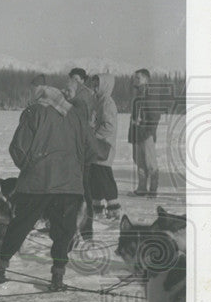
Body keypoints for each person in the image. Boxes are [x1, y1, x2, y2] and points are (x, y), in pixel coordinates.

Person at [0, 81, 96, 292]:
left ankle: (0, 268)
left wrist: (29, 167)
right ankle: (57, 277)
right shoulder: (75, 115)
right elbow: (91, 149)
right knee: (63, 232)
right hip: (69, 184)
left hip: (37, 183)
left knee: (20, 225)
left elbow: (18, 148)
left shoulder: (34, 111)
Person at [64, 68, 97, 241]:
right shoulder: (78, 95)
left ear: (83, 80)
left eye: (76, 79)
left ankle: (86, 230)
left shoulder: (83, 97)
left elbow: (82, 125)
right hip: (78, 150)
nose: (73, 82)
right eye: (71, 79)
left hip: (83, 150)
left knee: (84, 190)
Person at [88, 73, 121, 220]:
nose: (94, 88)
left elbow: (109, 126)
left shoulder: (107, 102)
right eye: (93, 84)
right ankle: (97, 207)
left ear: (104, 86)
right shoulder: (99, 101)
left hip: (104, 146)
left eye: (97, 85)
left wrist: (94, 136)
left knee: (104, 176)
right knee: (95, 176)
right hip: (97, 146)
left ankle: (113, 208)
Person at [127, 68, 162, 196]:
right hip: (137, 134)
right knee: (139, 161)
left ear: (146, 79)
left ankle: (153, 190)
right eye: (135, 78)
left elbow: (155, 115)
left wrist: (148, 132)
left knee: (150, 163)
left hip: (146, 135)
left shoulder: (150, 93)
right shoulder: (137, 94)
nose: (135, 80)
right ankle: (141, 188)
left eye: (138, 78)